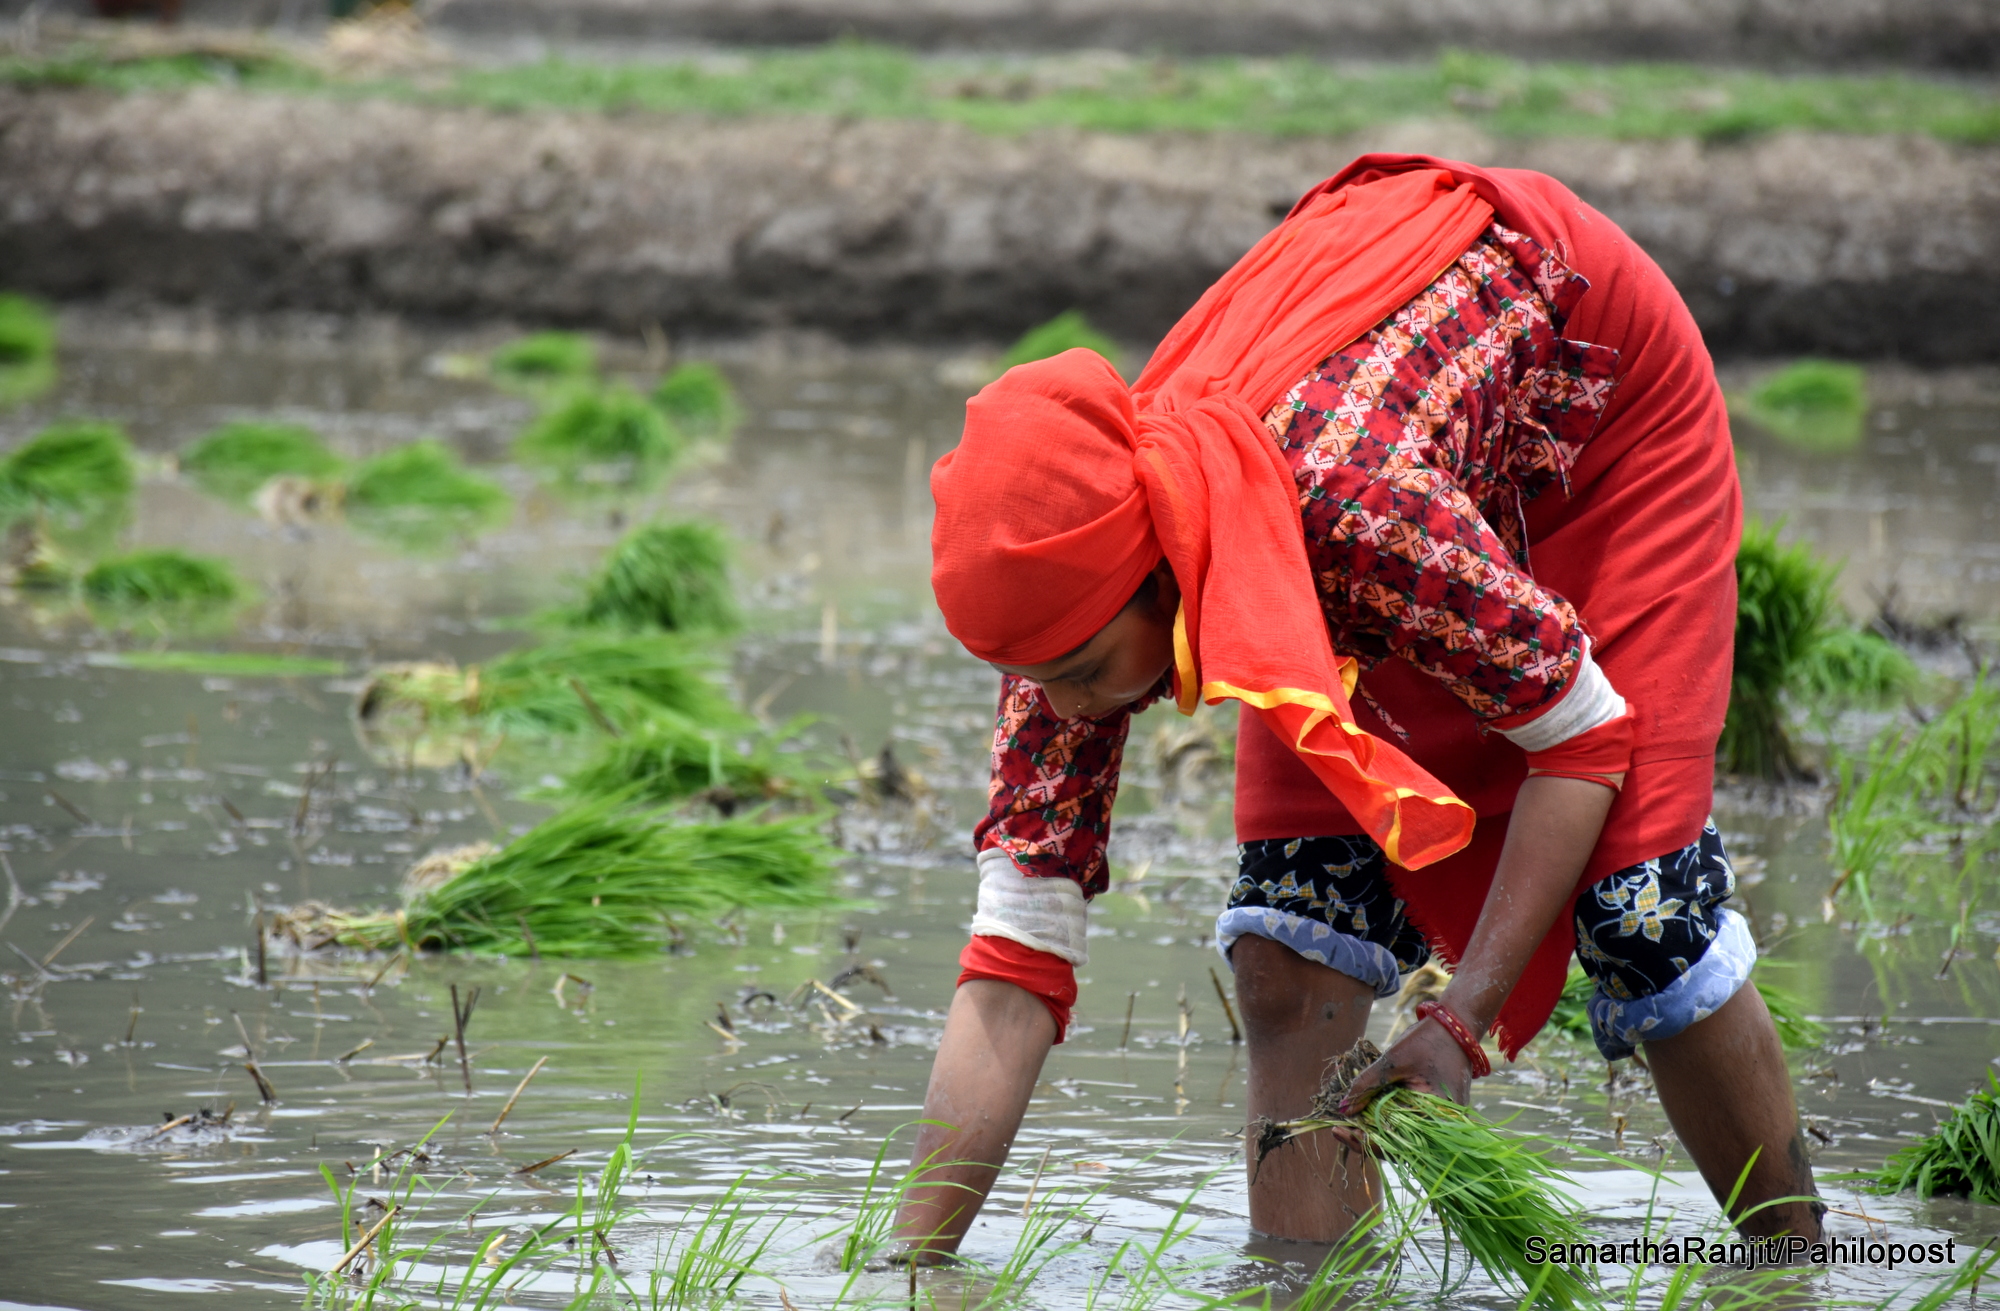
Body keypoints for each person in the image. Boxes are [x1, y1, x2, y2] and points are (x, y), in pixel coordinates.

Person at [896, 154, 1824, 1255]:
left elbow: (1579, 738)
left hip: (1600, 425)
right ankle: (1311, 1287)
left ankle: (1795, 1267)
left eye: (1088, 669)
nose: (1071, 705)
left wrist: (1455, 1023)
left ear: (1163, 571)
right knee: (1286, 951)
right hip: (1381, 472)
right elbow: (1013, 956)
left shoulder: (1352, 505)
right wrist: (910, 1260)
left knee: (1639, 913)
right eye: (1040, 677)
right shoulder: (1055, 583)